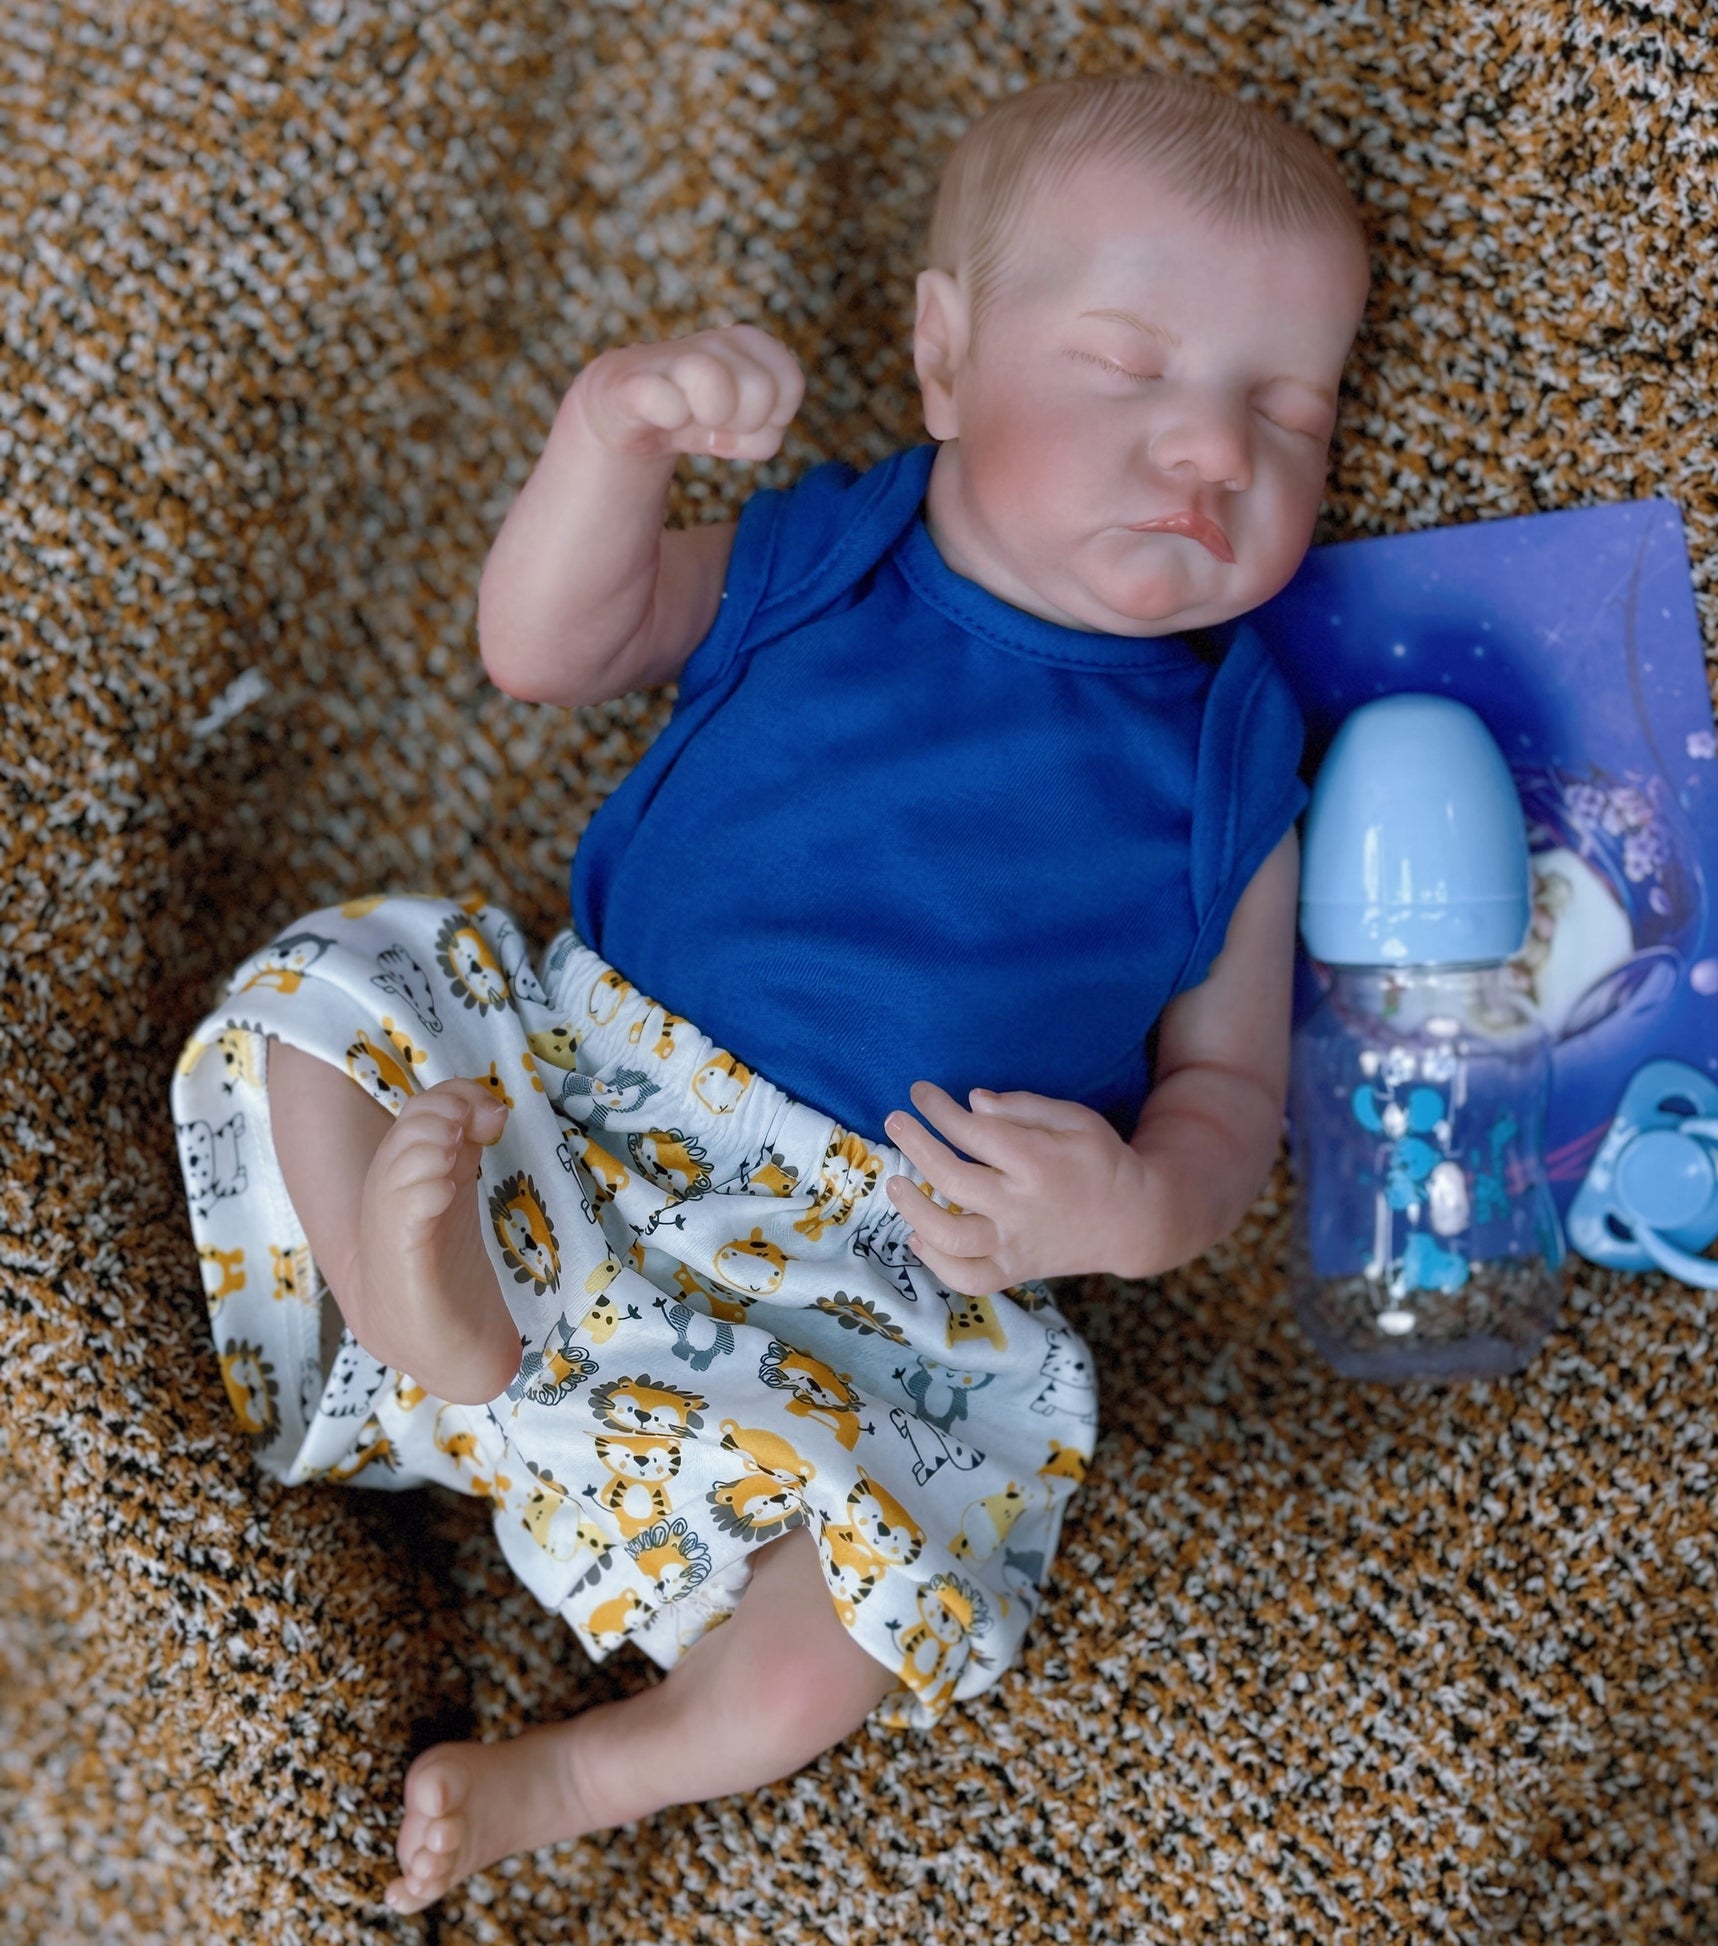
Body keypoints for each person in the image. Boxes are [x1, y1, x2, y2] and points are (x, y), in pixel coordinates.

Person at [170, 69, 1370, 1915]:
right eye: (1126, 367)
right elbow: (548, 645)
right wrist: (612, 436)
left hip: (865, 1282)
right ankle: (427, 1316)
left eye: (1288, 412)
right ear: (945, 357)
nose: (1212, 448)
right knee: (329, 992)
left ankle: (579, 1767)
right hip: (571, 1112)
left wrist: (1129, 1210)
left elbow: (1229, 1096)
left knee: (871, 1611)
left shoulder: (1237, 759)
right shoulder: (834, 554)